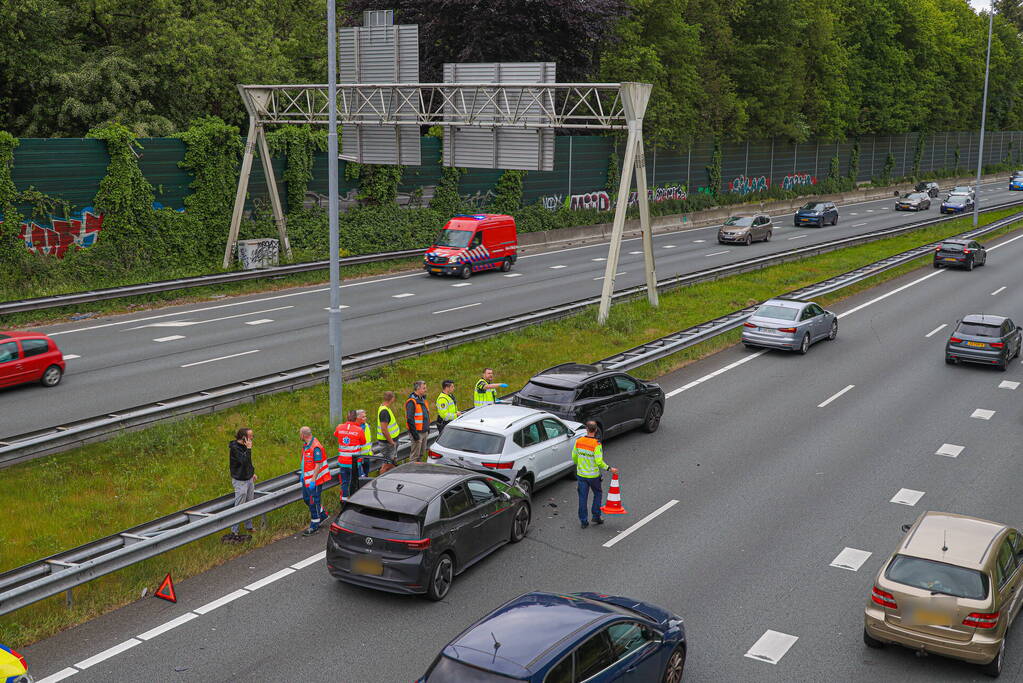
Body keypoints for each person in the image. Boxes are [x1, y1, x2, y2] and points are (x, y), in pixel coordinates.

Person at [572, 421, 617, 529]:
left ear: (586, 429)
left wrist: (580, 465)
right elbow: (599, 461)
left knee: (582, 498)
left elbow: (574, 456)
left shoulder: (579, 441)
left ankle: (583, 521)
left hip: (581, 475)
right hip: (593, 476)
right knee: (597, 494)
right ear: (596, 430)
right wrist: (609, 468)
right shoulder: (596, 444)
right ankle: (596, 515)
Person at [225, 427, 257, 543]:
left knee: (250, 502)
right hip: (240, 480)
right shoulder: (235, 448)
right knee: (239, 504)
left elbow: (248, 462)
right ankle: (234, 531)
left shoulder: (245, 446)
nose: (252, 438)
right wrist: (248, 449)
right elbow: (243, 461)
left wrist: (252, 472)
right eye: (250, 436)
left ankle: (249, 526)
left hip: (248, 478)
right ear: (243, 437)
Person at [300, 427, 331, 535]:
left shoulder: (316, 447)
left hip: (314, 480)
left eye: (300, 434)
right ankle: (322, 514)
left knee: (314, 501)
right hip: (306, 479)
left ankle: (315, 524)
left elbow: (318, 465)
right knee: (307, 499)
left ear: (303, 435)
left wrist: (313, 480)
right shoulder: (306, 446)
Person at [334, 410, 367, 500]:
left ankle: (344, 500)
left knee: (344, 482)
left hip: (343, 462)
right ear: (356, 418)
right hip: (354, 462)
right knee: (357, 481)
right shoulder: (359, 430)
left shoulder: (339, 427)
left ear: (347, 418)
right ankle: (358, 499)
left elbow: (336, 434)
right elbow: (363, 442)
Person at [405, 380, 430, 463]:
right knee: (415, 456)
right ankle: (412, 473)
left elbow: (425, 415)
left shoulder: (422, 399)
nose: (426, 390)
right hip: (417, 433)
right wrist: (415, 435)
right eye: (424, 388)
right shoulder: (412, 402)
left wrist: (427, 428)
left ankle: (418, 471)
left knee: (421, 454)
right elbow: (410, 419)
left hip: (424, 431)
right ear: (418, 389)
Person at [377, 391, 399, 474]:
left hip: (389, 442)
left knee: (391, 463)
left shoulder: (384, 408)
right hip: (388, 443)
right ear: (392, 399)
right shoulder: (384, 411)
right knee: (387, 464)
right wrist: (391, 442)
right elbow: (384, 429)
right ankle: (381, 480)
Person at [356, 409, 373, 477]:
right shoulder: (355, 428)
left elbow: (369, 440)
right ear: (357, 418)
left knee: (366, 475)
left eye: (365, 416)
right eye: (363, 417)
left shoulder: (367, 426)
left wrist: (370, 449)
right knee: (360, 476)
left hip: (367, 454)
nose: (365, 418)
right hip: (359, 455)